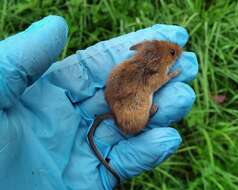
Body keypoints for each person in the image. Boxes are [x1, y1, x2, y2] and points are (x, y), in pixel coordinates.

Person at [0, 16, 198, 190]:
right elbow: (153, 85)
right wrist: (171, 75)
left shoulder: (139, 61)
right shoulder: (154, 73)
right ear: (155, 62)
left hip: (117, 96)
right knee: (147, 104)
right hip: (130, 102)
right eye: (172, 54)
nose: (176, 54)